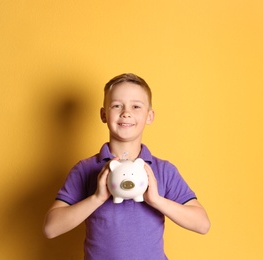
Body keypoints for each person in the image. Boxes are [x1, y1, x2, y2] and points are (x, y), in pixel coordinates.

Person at [43, 73, 210, 259]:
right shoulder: (85, 169)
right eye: (116, 105)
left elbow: (202, 224)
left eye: (136, 106)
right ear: (104, 114)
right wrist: (97, 198)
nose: (126, 113)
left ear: (149, 116)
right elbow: (51, 228)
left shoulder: (163, 170)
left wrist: (156, 200)